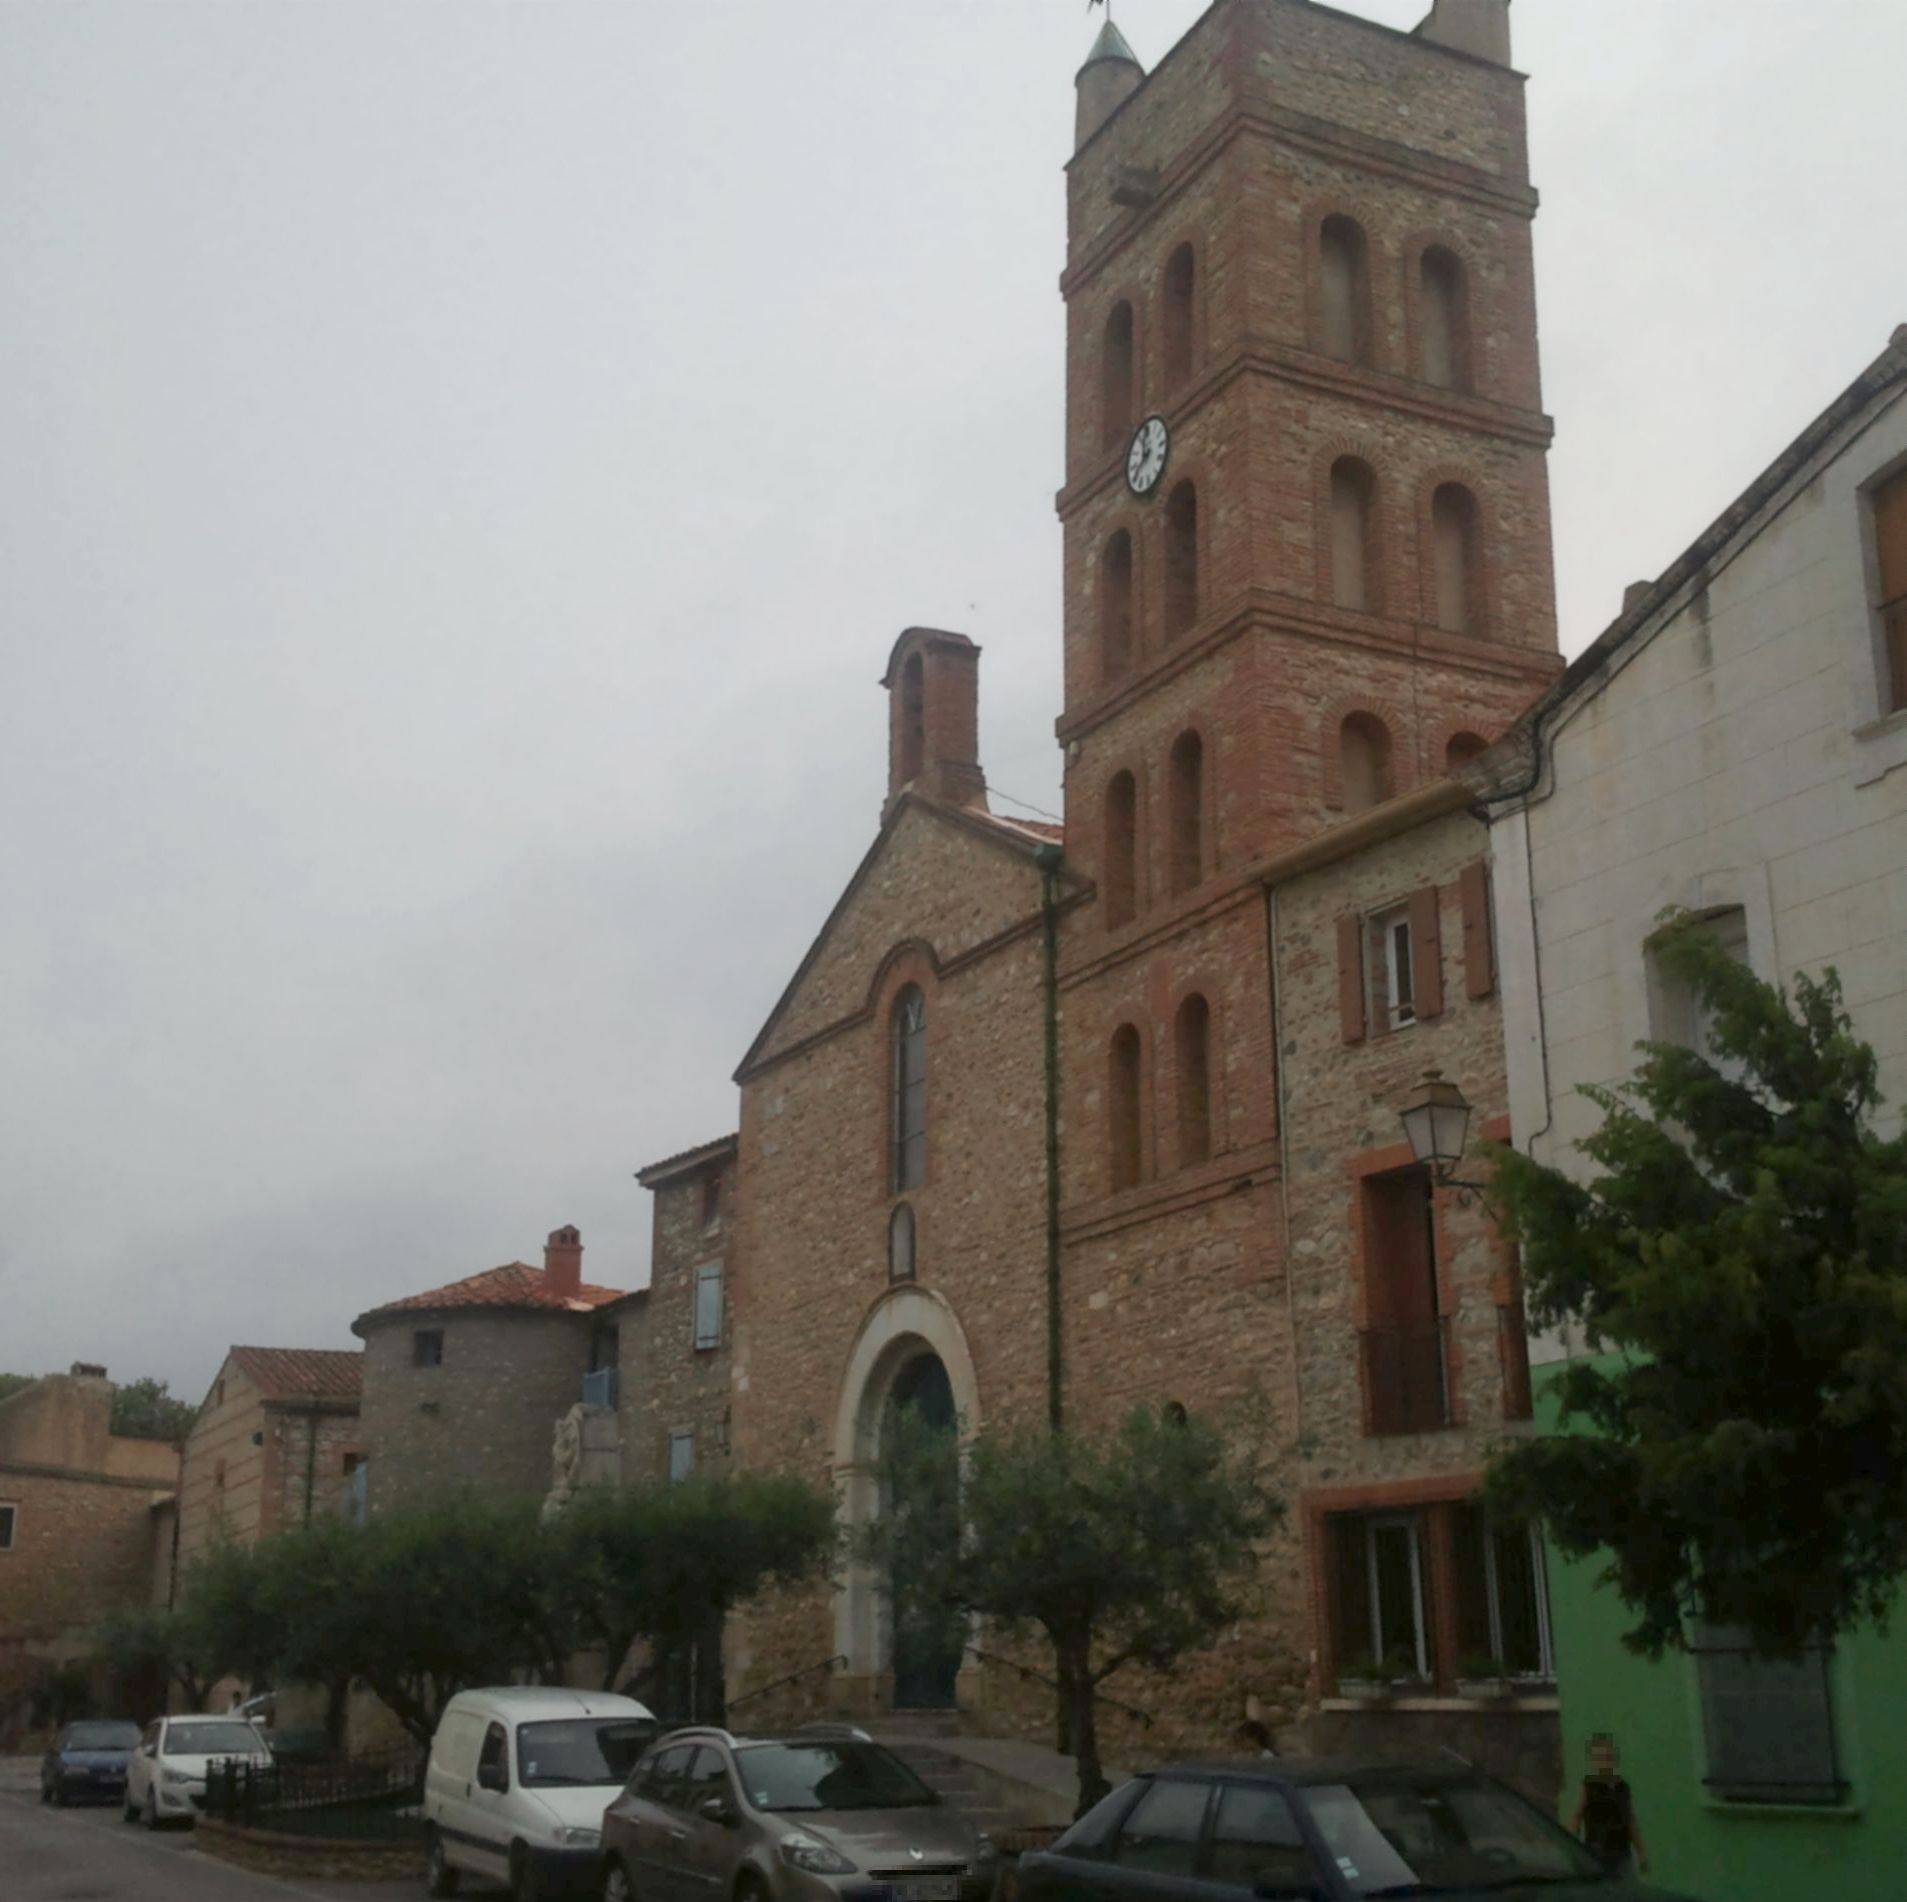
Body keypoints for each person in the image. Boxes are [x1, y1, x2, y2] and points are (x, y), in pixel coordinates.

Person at [1568, 1734, 1648, 1879]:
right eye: (1600, 1758)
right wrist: (1571, 1848)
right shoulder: (1590, 1786)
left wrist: (1641, 1853)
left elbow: (1630, 1820)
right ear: (1594, 1761)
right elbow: (1577, 1816)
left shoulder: (1622, 1787)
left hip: (1622, 1852)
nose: (1605, 1761)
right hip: (1597, 1852)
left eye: (1608, 1756)